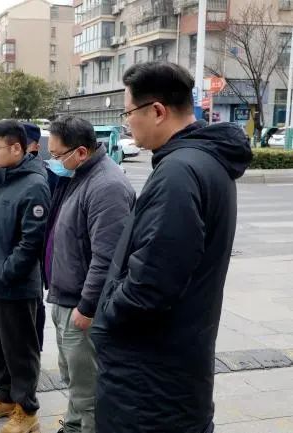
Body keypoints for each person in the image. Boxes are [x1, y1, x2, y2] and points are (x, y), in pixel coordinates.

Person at [90, 62, 252, 433]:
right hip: (174, 370)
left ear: (158, 111)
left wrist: (108, 315)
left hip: (149, 383)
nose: (128, 123)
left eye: (128, 112)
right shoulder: (205, 162)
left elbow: (152, 283)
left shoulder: (179, 172)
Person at [43, 116, 135, 433]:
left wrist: (88, 306)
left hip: (82, 306)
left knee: (88, 390)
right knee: (74, 377)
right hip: (66, 297)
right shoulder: (80, 175)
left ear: (81, 152)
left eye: (58, 155)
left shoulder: (107, 186)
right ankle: (72, 427)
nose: (54, 162)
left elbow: (107, 256)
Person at [0, 120, 50, 433]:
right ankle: (5, 396)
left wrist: (6, 273)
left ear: (16, 148)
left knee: (20, 350)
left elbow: (31, 243)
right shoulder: (0, 178)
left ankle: (26, 410)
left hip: (14, 285)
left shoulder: (34, 184)